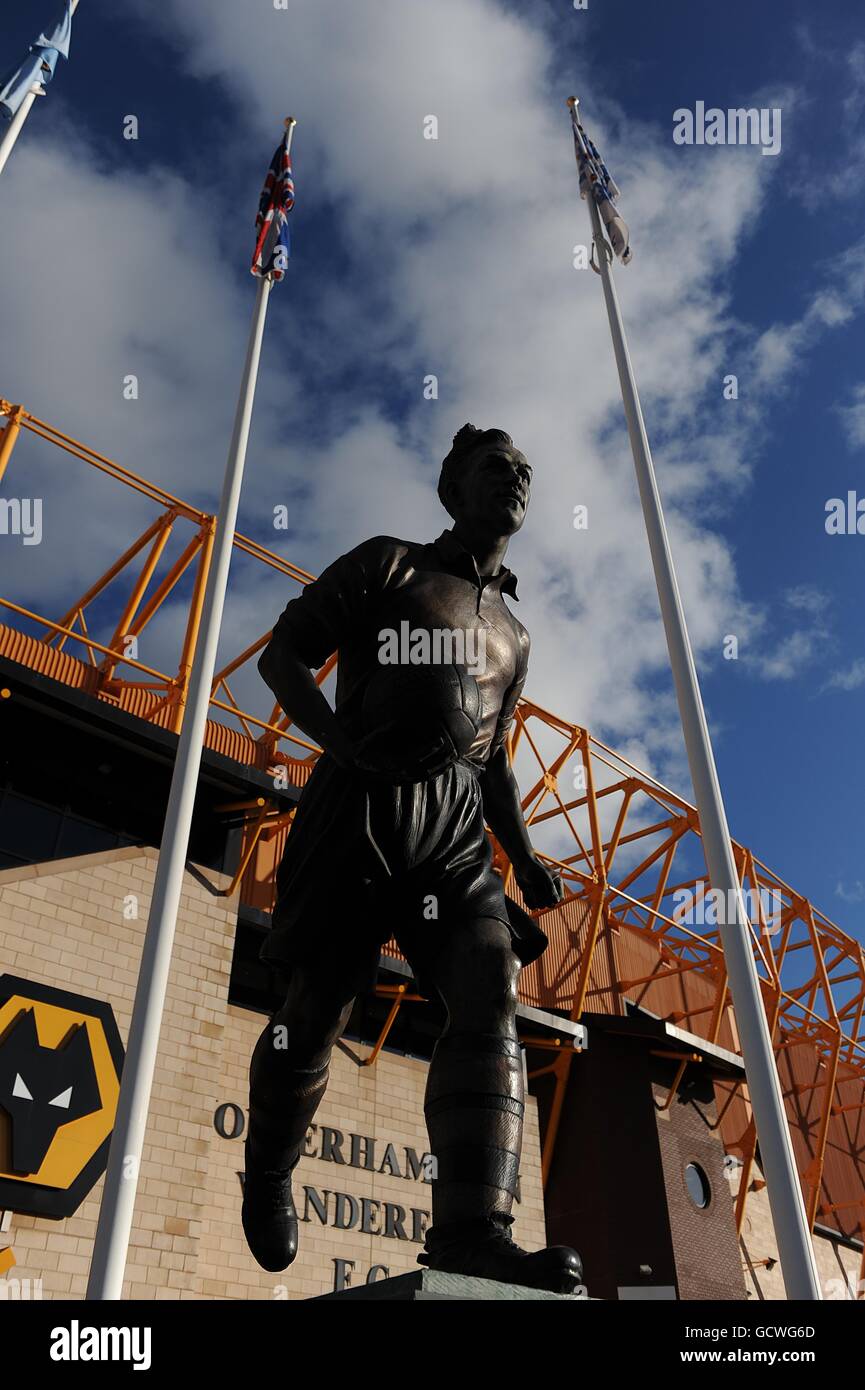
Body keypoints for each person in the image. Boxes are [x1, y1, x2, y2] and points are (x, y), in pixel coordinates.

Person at [244, 423, 582, 1294]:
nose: (514, 480)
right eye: (495, 467)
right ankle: (270, 1167)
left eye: (524, 471)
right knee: (316, 1009)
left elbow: (495, 758)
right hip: (361, 809)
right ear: (452, 486)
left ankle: (473, 1230)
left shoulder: (514, 632)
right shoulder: (389, 564)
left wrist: (524, 852)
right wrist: (337, 746)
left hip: (455, 832)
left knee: (487, 985)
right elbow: (283, 657)